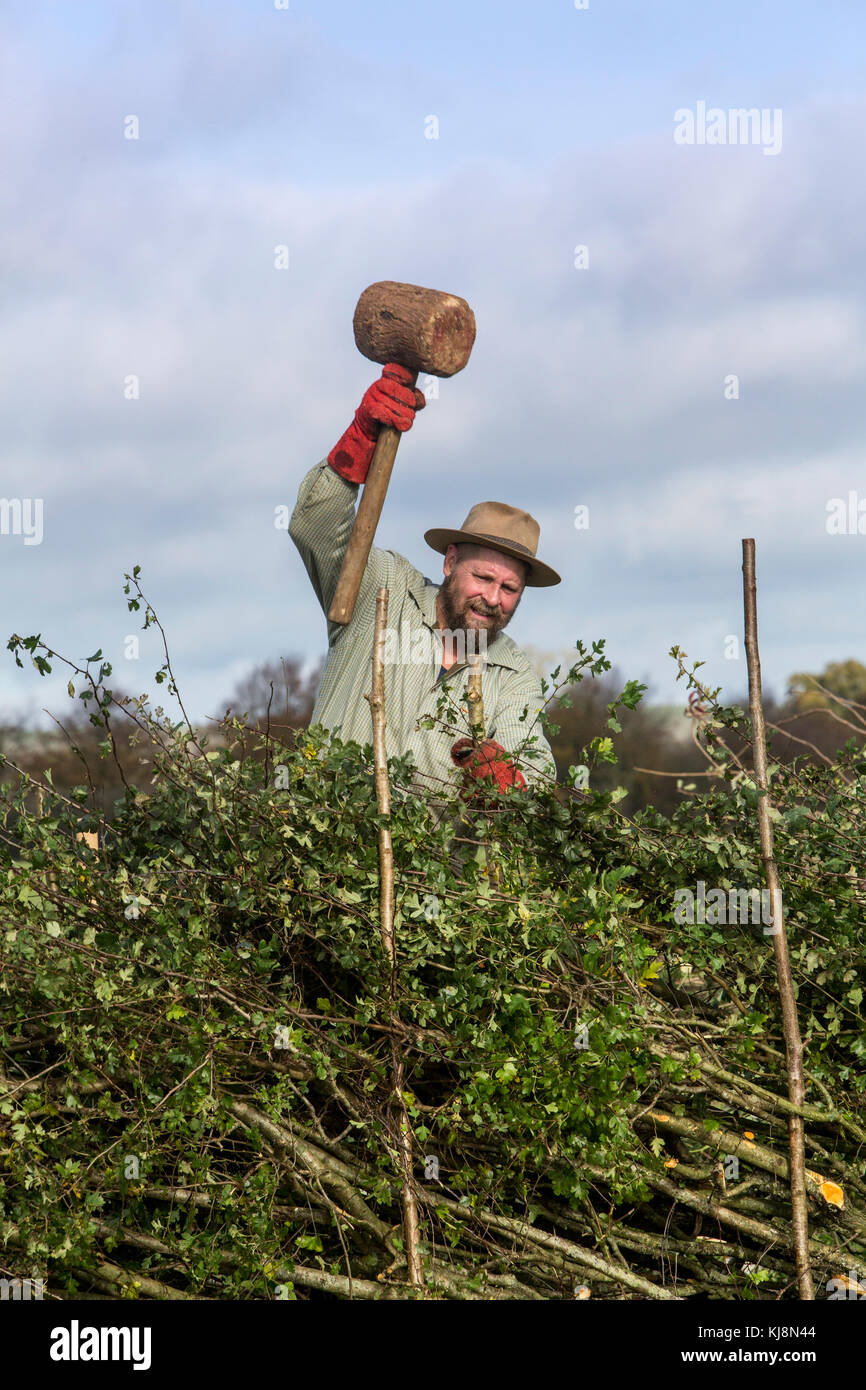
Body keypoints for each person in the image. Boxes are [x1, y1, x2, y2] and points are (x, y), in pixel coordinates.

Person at [289, 363, 562, 797]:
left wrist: (515, 782)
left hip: (415, 865)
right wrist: (362, 436)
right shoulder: (383, 588)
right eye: (484, 577)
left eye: (509, 589)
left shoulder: (511, 673)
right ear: (450, 561)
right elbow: (316, 525)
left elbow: (534, 769)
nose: (493, 598)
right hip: (311, 851)